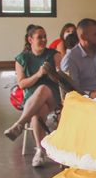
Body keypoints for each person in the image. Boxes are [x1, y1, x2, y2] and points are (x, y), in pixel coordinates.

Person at [4, 25, 62, 167]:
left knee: (43, 88)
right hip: (32, 100)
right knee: (38, 111)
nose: (43, 40)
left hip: (52, 96)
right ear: (30, 39)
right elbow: (22, 84)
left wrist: (50, 74)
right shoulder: (22, 58)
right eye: (39, 37)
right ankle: (40, 151)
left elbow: (61, 79)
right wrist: (38, 74)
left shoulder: (53, 54)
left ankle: (20, 124)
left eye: (44, 37)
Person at [61, 18, 96, 97]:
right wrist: (89, 94)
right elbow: (73, 88)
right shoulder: (73, 57)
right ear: (83, 37)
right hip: (85, 102)